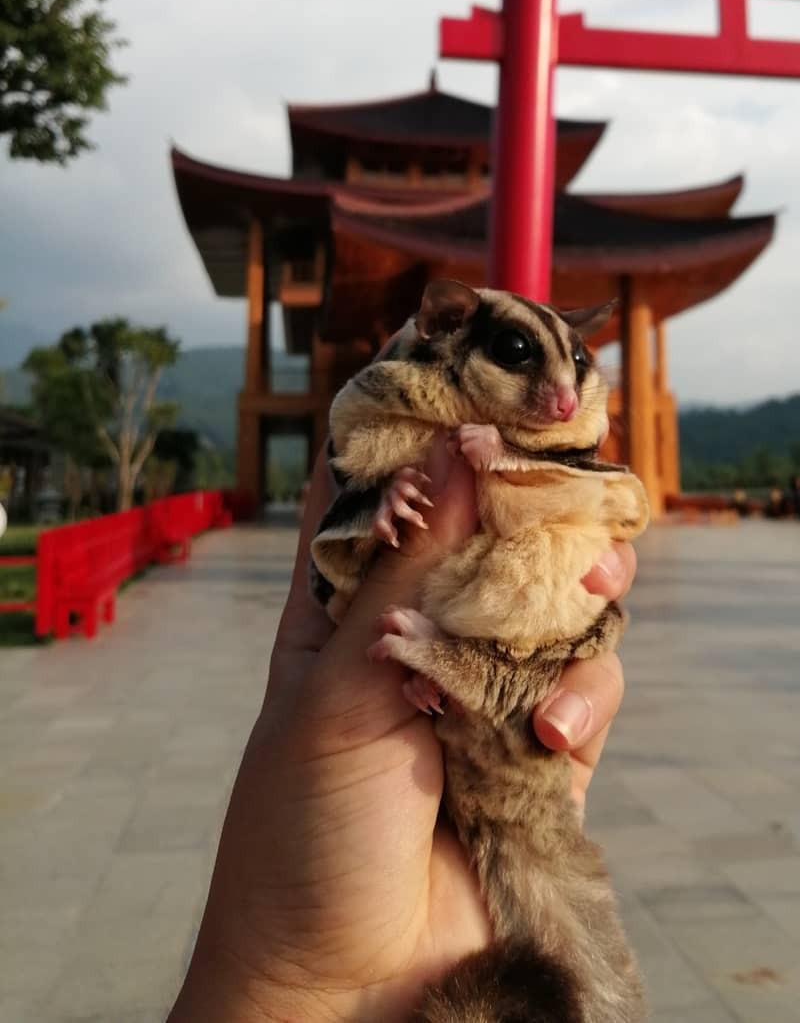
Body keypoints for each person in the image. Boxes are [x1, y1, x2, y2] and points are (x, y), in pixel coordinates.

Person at [167, 438, 637, 1023]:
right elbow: (359, 454)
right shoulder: (420, 422)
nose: (562, 402)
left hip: (496, 769)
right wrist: (288, 980)